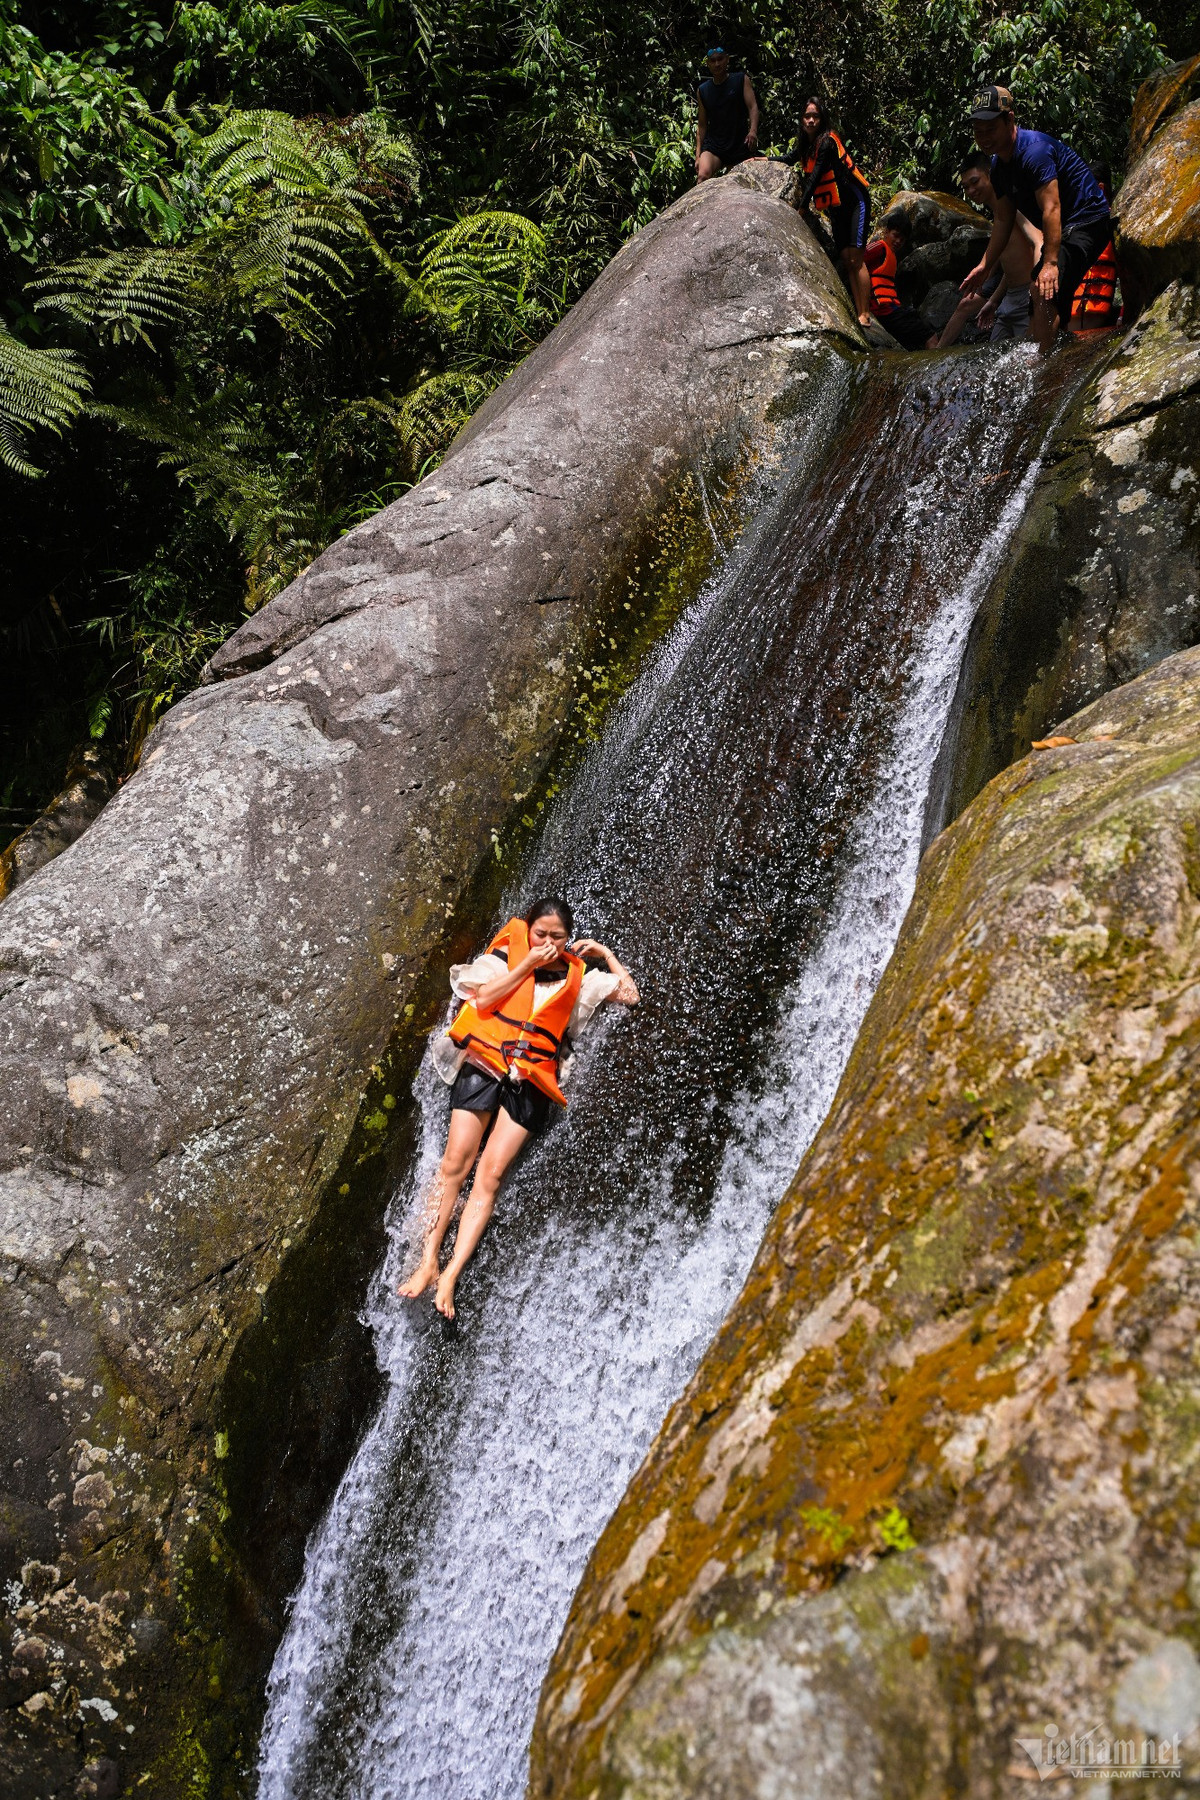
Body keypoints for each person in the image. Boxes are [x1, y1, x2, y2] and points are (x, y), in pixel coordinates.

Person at [397, 897, 639, 1318]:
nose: (547, 941)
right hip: (484, 1065)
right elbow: (484, 999)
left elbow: (630, 995)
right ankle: (427, 1261)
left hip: (530, 1082)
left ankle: (451, 1274)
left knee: (489, 1175)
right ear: (528, 930)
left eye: (556, 936)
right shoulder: (505, 956)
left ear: (568, 939)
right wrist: (527, 965)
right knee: (456, 1163)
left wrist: (605, 954)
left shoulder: (579, 977)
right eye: (540, 933)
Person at [958, 85, 1111, 354]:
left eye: (990, 129)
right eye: (978, 132)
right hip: (1064, 229)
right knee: (1040, 297)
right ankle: (1050, 357)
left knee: (1043, 287)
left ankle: (1041, 367)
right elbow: (1004, 220)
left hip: (1088, 220)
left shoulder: (1034, 152)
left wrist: (1050, 263)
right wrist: (985, 266)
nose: (984, 138)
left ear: (1009, 120)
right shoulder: (998, 166)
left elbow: (1051, 208)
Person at [936, 151, 1042, 347]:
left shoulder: (1014, 206)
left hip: (1026, 296)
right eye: (966, 187)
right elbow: (1010, 267)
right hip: (1010, 298)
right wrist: (993, 300)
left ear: (991, 175)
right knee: (994, 360)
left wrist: (1037, 297)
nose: (971, 190)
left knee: (1026, 360)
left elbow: (1039, 243)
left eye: (975, 182)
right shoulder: (999, 217)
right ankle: (934, 358)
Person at [788, 97, 873, 325]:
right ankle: (859, 310)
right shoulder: (806, 143)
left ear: (822, 118)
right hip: (837, 207)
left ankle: (865, 313)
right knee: (846, 259)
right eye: (807, 116)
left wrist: (802, 207)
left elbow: (815, 177)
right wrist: (763, 158)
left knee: (856, 258)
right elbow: (789, 158)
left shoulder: (826, 142)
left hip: (855, 201)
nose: (811, 120)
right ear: (802, 119)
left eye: (815, 116)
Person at [864, 211, 937, 349]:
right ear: (886, 232)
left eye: (902, 239)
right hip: (885, 312)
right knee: (930, 337)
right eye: (896, 236)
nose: (898, 241)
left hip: (891, 311)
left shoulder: (891, 256)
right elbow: (856, 261)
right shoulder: (879, 247)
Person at [695, 45, 760, 181]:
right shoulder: (703, 90)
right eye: (713, 61)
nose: (717, 64)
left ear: (727, 60)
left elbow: (753, 107)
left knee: (735, 183)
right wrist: (698, 155)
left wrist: (753, 131)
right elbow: (702, 125)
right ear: (708, 64)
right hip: (714, 145)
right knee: (702, 176)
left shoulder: (740, 80)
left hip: (738, 143)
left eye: (720, 59)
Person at [1069, 162, 1120, 333]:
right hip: (1075, 314)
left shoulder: (1114, 223)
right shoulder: (1079, 221)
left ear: (1100, 188)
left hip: (1093, 313)